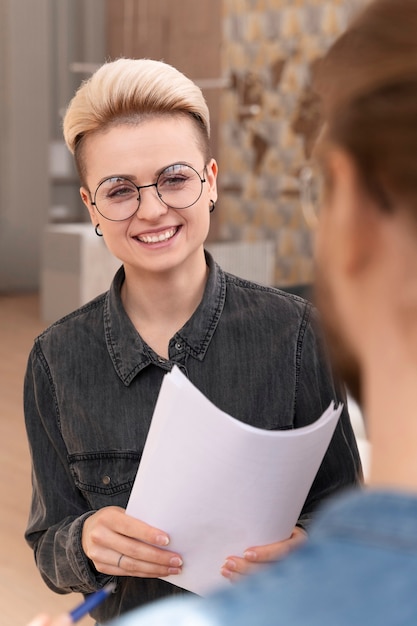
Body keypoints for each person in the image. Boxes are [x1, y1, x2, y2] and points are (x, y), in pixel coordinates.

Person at [23, 58, 361, 624]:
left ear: (210, 182)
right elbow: (48, 545)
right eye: (120, 190)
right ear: (91, 208)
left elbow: (347, 514)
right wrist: (82, 542)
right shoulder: (56, 359)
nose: (152, 209)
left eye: (174, 179)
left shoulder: (299, 334)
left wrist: (310, 548)